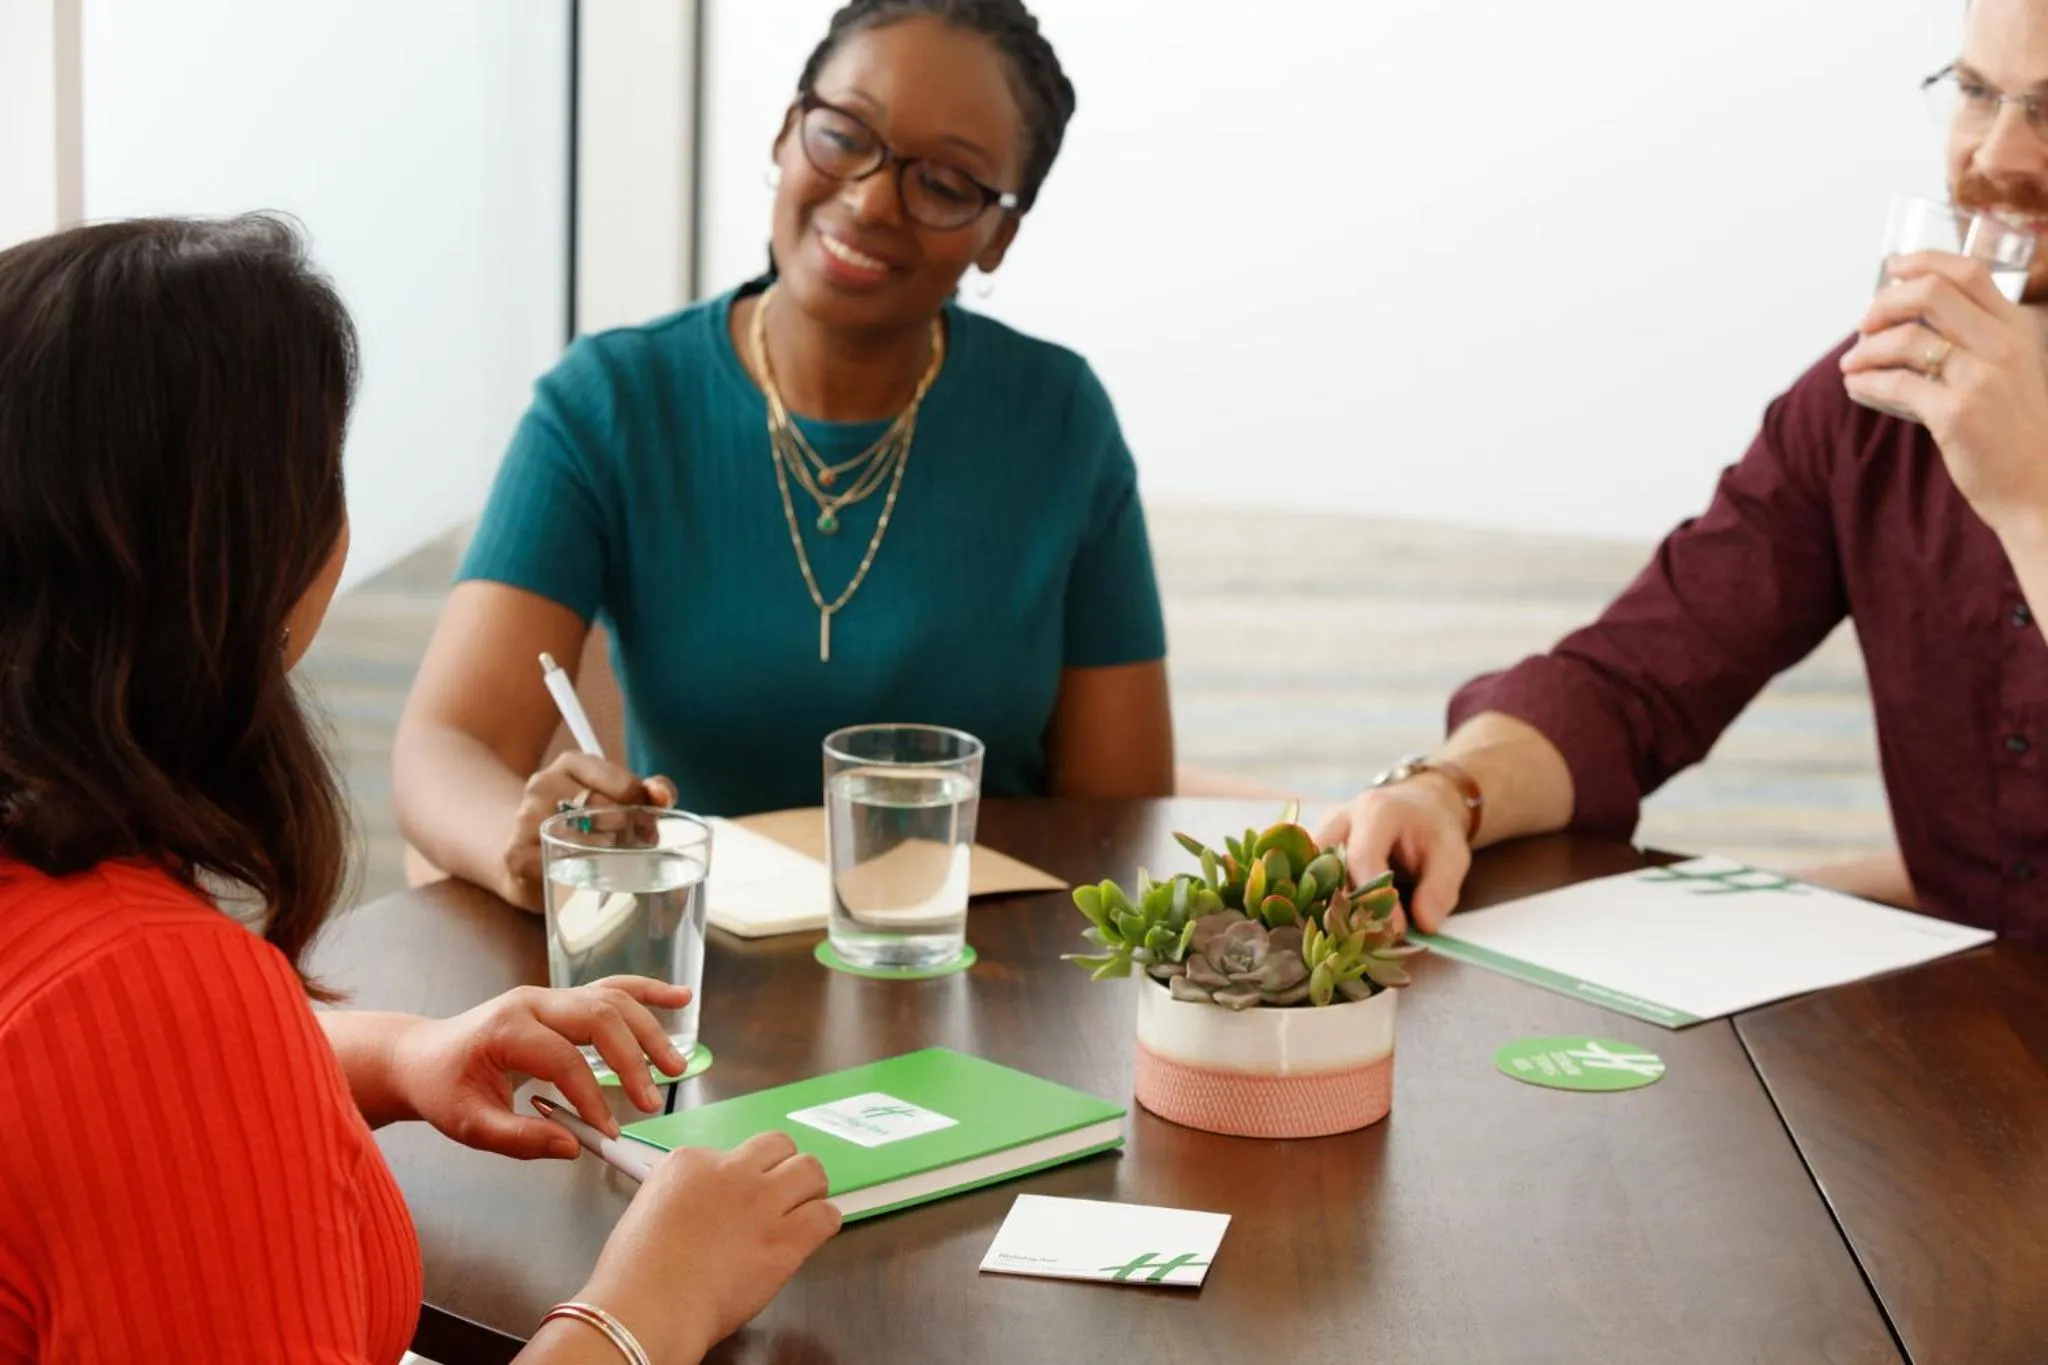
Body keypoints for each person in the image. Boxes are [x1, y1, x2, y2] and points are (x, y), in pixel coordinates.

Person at [0, 216, 837, 1363]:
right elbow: (128, 1038)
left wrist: (391, 1056)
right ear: (245, 555)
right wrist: (648, 1303)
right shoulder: (156, 987)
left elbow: (80, 1082)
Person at [394, 0, 1174, 913]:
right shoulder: (611, 403)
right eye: (844, 136)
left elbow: (1119, 820)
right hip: (692, 965)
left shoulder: (1059, 421)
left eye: (945, 182)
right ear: (786, 131)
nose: (871, 200)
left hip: (985, 961)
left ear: (999, 233)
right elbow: (445, 743)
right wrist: (522, 840)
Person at [1320, 0, 2048, 952]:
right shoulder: (1873, 407)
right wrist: (1446, 790)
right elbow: (1636, 681)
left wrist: (2028, 500)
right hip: (1966, 1015)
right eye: (1977, 92)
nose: (1997, 156)